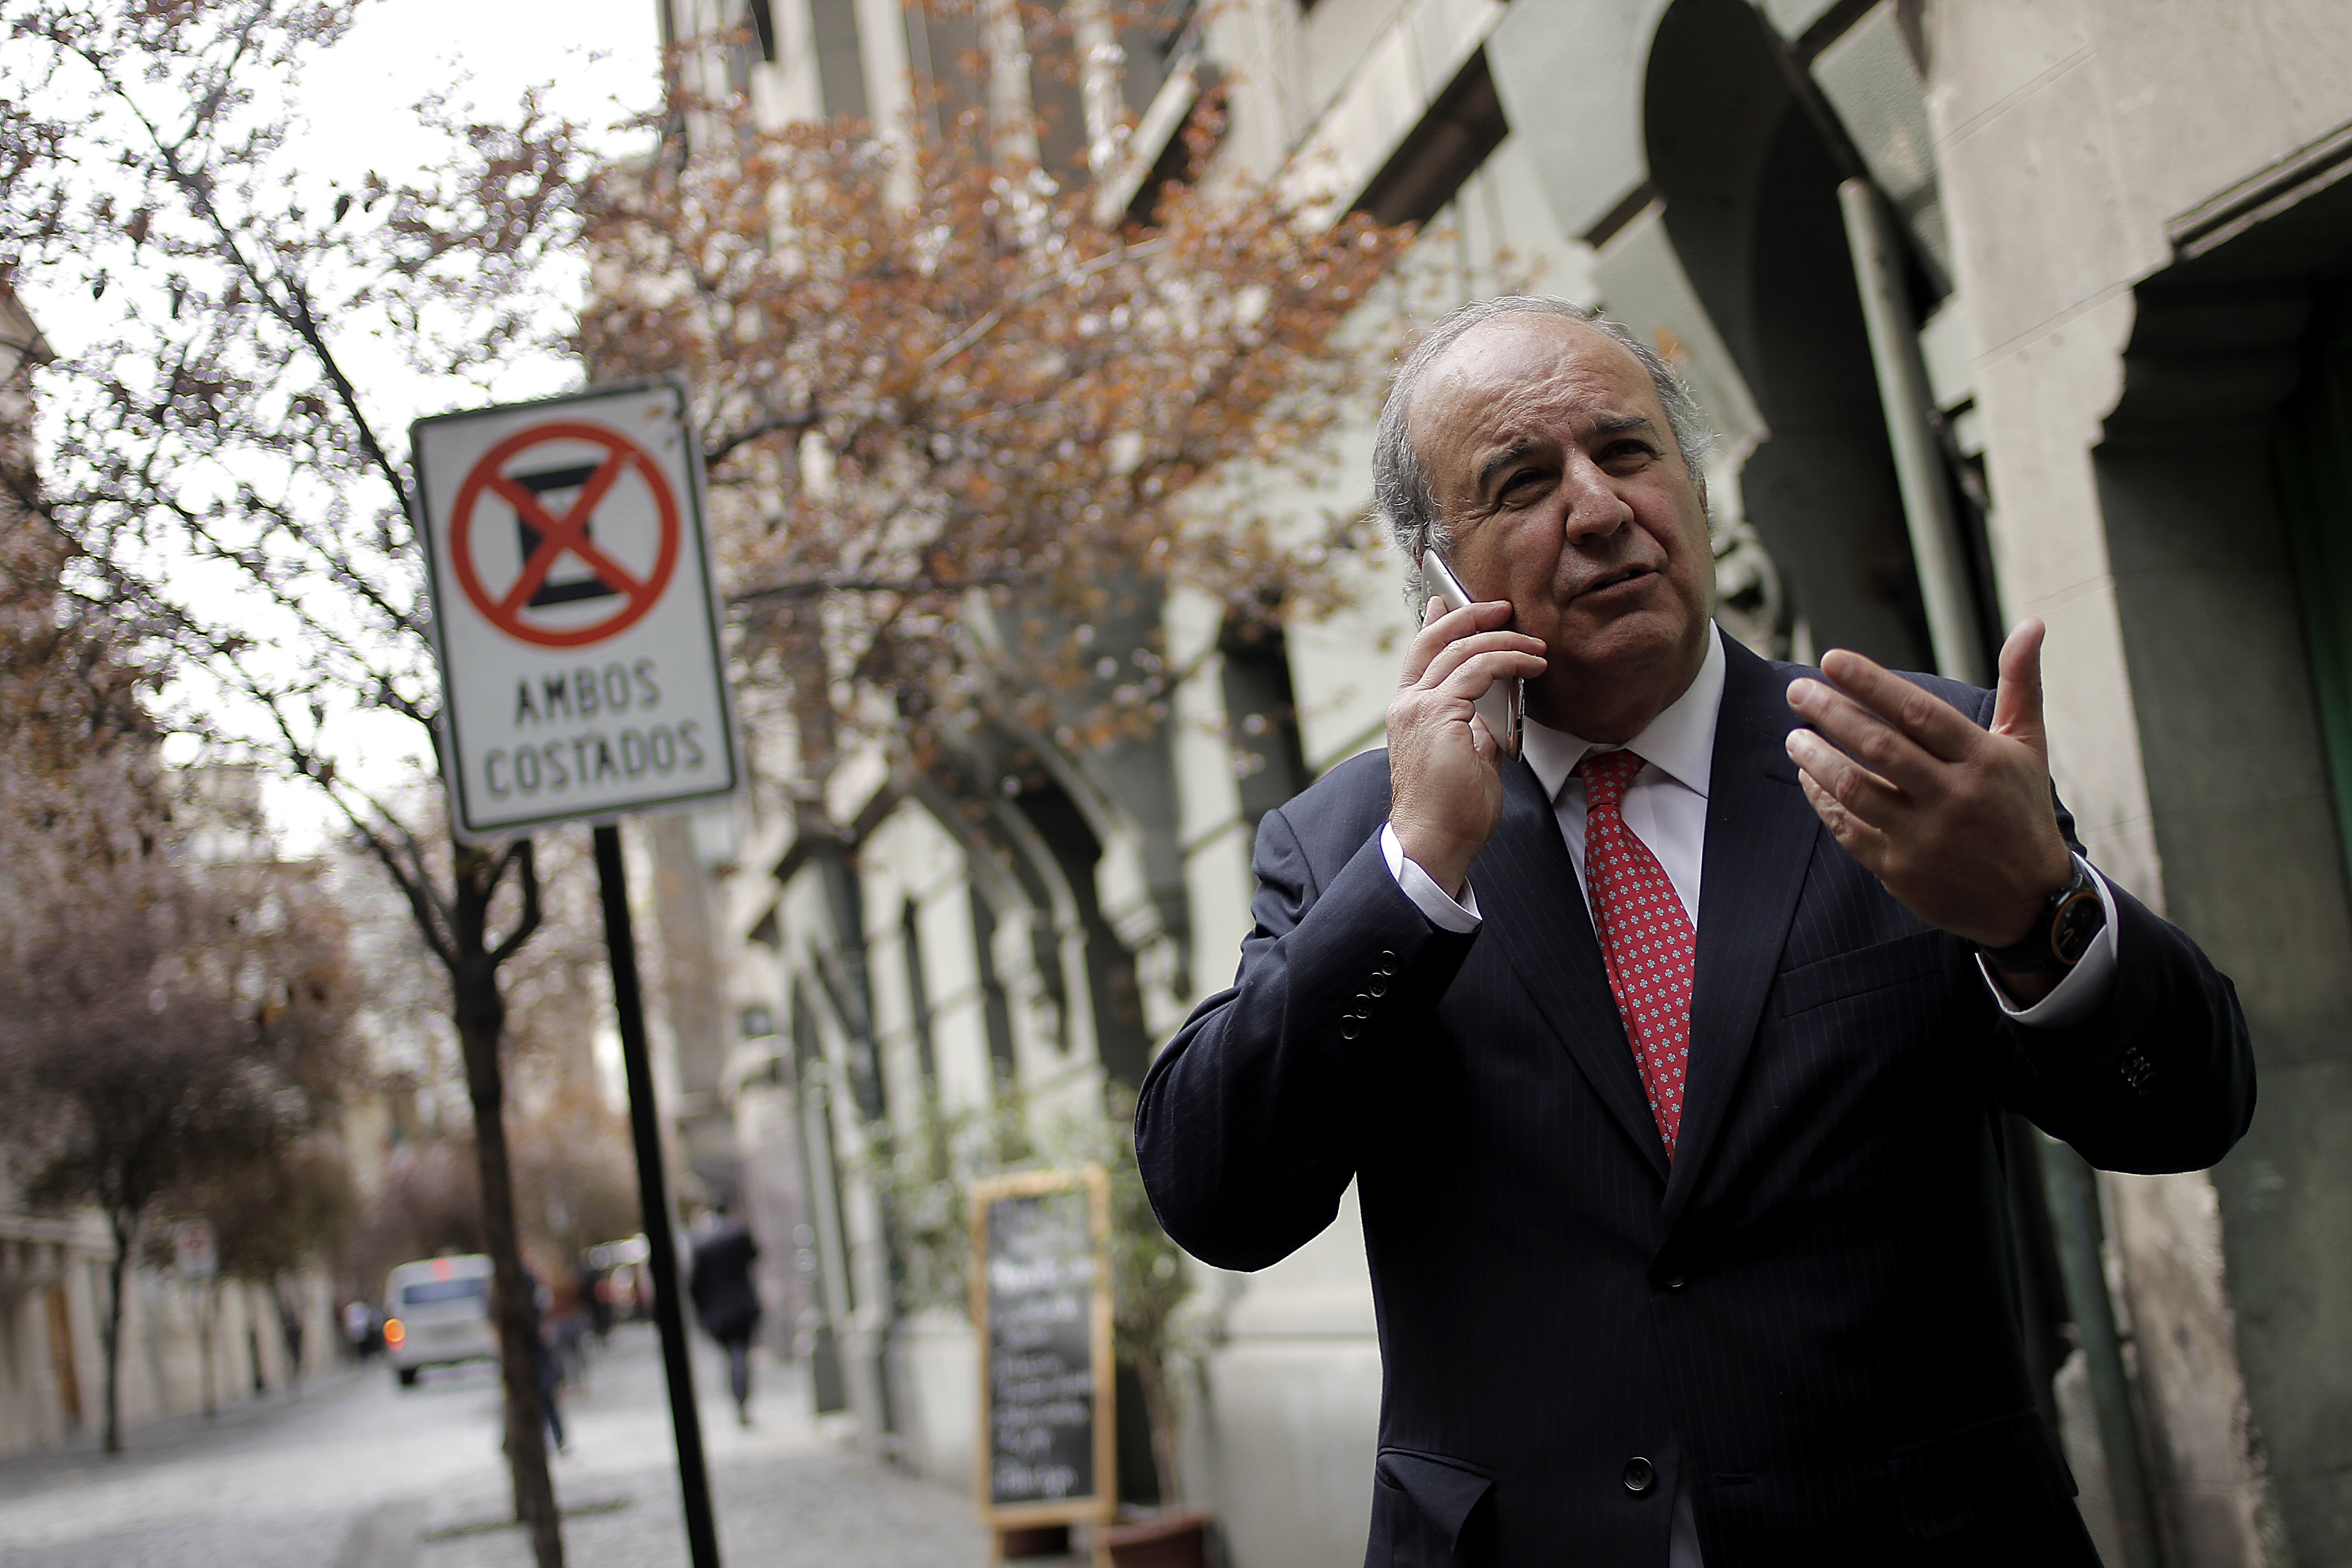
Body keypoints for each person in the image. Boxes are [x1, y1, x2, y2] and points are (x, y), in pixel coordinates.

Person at [1133, 295, 2254, 1566]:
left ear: (1696, 488)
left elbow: (2186, 1111)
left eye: (1626, 451)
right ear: (1435, 576)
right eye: (1522, 482)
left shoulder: (1913, 766)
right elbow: (1219, 1198)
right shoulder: (1353, 843)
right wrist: (1417, 869)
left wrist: (2035, 909)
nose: (1598, 508)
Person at [688, 1203, 762, 1426]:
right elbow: (755, 1254)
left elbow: (695, 1285)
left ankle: (738, 1399)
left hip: (718, 1313)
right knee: (741, 1356)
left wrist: (701, 1314)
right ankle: (742, 1400)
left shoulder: (702, 1244)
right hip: (743, 1306)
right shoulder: (738, 1236)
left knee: (732, 1357)